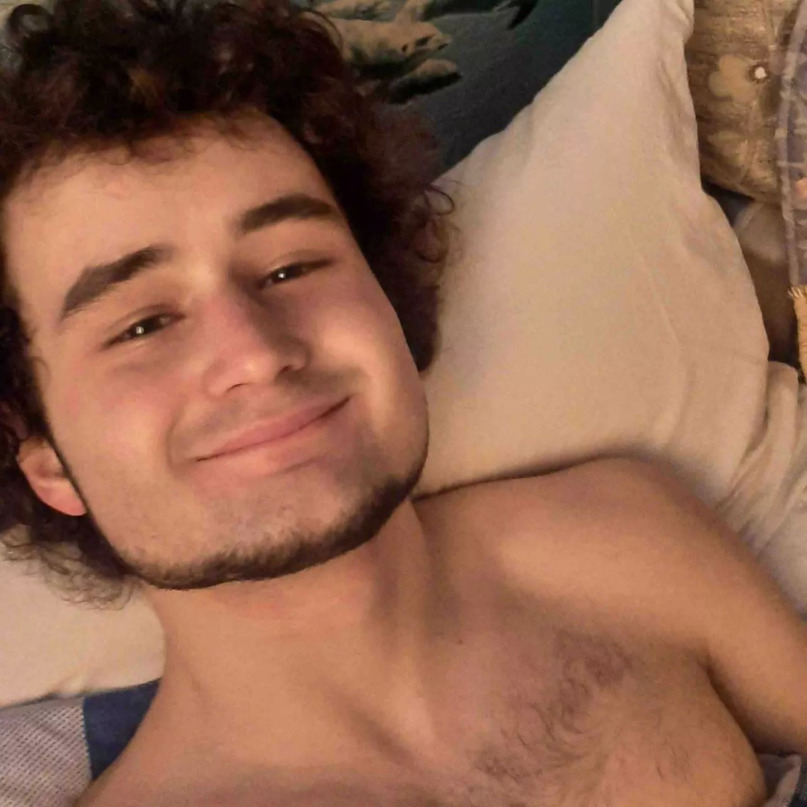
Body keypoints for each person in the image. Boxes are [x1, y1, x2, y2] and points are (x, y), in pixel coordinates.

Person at [0, 0, 805, 805]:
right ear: (49, 463)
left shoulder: (619, 539)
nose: (254, 352)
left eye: (289, 268)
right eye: (143, 325)